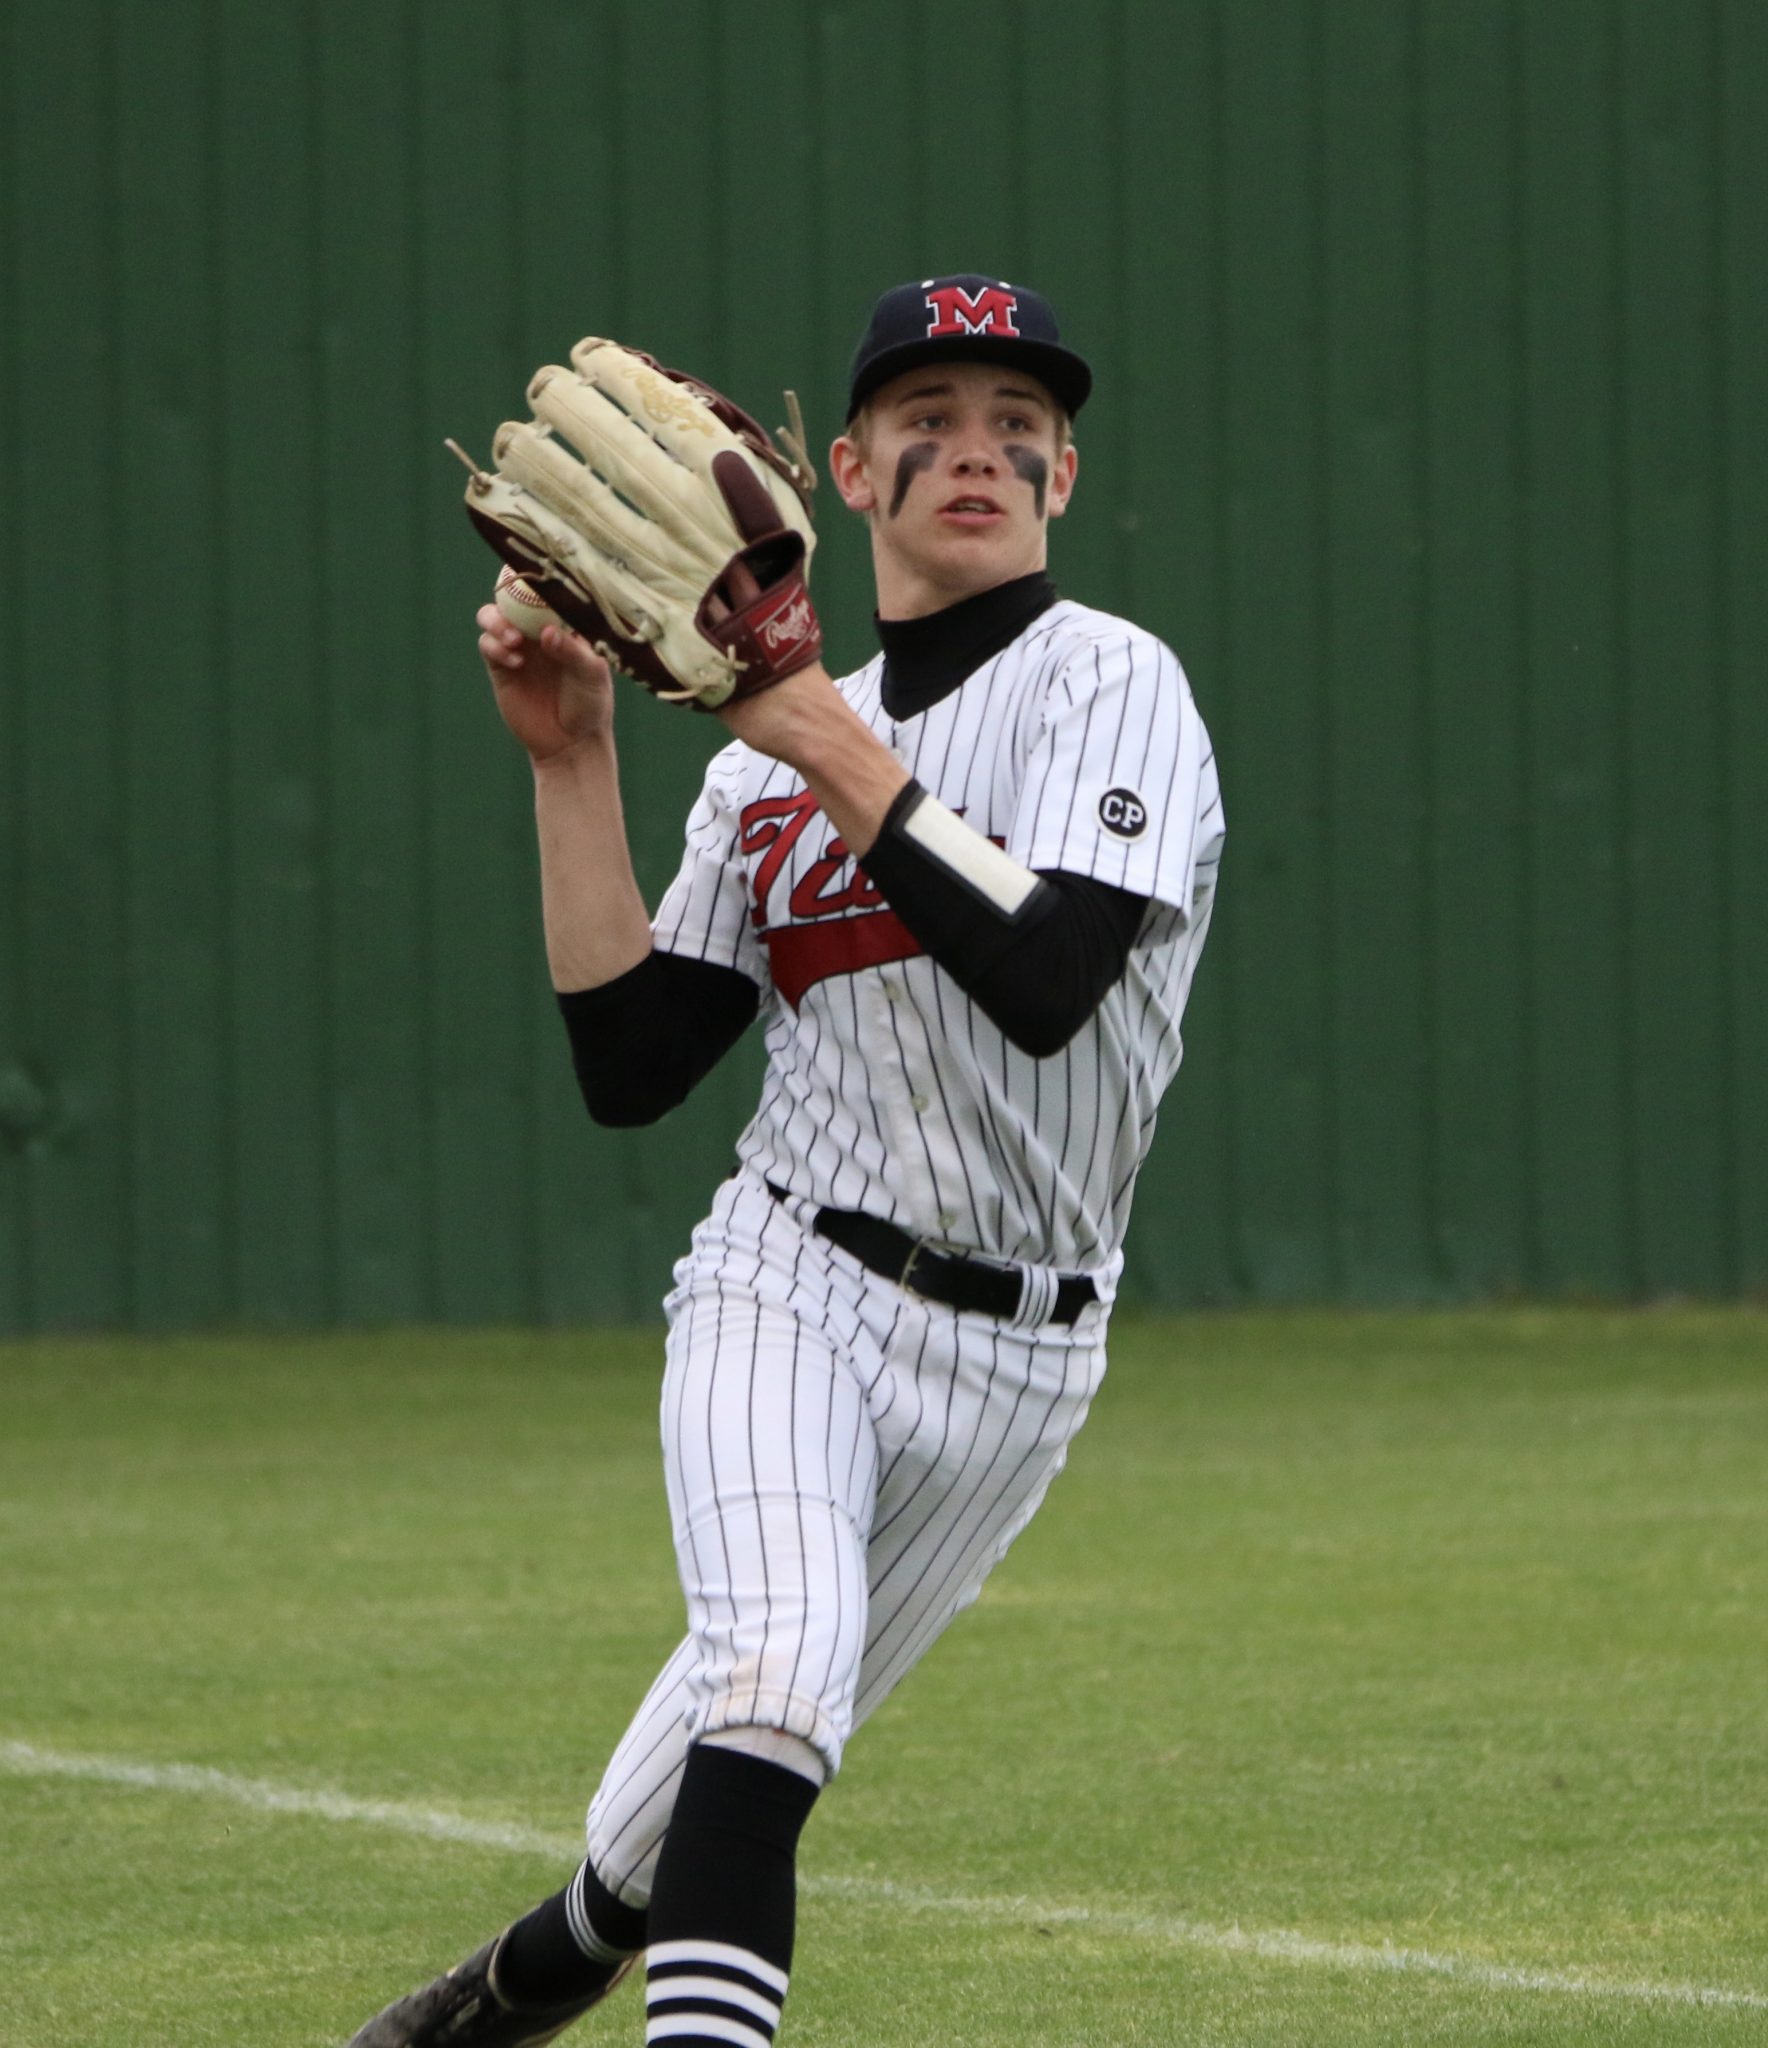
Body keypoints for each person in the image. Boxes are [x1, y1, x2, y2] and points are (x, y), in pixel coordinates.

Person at [345, 273, 1225, 2048]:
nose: (975, 453)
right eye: (929, 426)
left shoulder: (1109, 683)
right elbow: (635, 1059)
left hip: (1025, 1360)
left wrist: (805, 714)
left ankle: (538, 1972)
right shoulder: (752, 780)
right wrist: (574, 761)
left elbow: (1052, 979)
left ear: (1064, 481)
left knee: (680, 1815)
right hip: (791, 1282)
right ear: (844, 474)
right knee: (773, 1679)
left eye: (1015, 433)